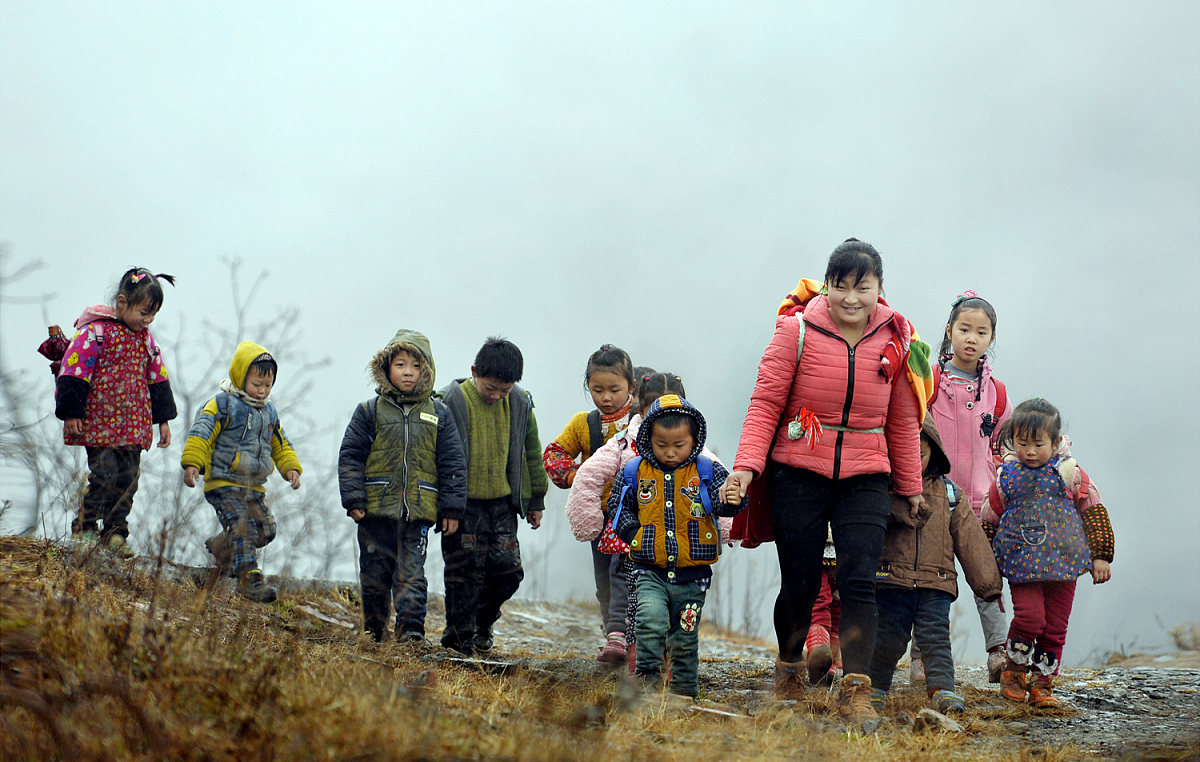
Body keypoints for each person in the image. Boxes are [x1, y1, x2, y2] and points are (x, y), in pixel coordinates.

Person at [725, 239, 932, 721]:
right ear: (827, 286)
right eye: (841, 286)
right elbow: (765, 404)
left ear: (879, 288)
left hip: (867, 474)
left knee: (860, 582)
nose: (851, 298)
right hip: (799, 471)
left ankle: (856, 690)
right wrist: (745, 467)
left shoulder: (898, 339)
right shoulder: (795, 331)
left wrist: (911, 488)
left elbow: (902, 422)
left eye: (863, 287)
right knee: (800, 584)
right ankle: (790, 669)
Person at [567, 373, 731, 674]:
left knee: (669, 604)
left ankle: (660, 663)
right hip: (632, 538)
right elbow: (591, 474)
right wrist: (598, 522)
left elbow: (720, 484)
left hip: (679, 544)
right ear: (641, 409)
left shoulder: (695, 451)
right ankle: (630, 654)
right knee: (633, 597)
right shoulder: (624, 444)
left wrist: (725, 525)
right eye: (654, 408)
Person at [609, 394, 743, 698]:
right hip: (649, 569)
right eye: (661, 445)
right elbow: (618, 506)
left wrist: (735, 498)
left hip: (693, 575)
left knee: (684, 634)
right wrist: (634, 534)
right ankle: (647, 682)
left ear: (694, 440)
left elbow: (726, 503)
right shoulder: (634, 471)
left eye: (679, 445)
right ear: (648, 440)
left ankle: (683, 691)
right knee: (649, 620)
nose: (670, 453)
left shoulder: (708, 471)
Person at [982, 398, 1113, 708]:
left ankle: (1043, 683)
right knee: (1030, 618)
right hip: (1021, 564)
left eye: (1038, 444)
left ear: (1055, 442)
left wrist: (1101, 555)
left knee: (1054, 627)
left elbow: (1093, 510)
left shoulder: (1070, 473)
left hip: (1065, 565)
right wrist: (985, 562)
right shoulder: (1006, 477)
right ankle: (1014, 671)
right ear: (1012, 441)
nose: (1030, 451)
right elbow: (989, 517)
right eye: (1022, 443)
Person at [337, 329, 467, 642]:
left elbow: (453, 463)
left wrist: (451, 508)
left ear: (427, 371)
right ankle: (374, 632)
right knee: (375, 575)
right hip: (375, 512)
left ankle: (411, 633)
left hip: (418, 513)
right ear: (386, 367)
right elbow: (351, 456)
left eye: (416, 366)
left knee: (412, 575)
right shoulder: (368, 411)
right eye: (400, 364)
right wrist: (354, 499)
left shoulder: (440, 414)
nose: (408, 372)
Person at [867, 415, 1003, 714]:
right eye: (904, 453)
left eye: (921, 454)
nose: (913, 461)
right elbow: (865, 529)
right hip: (890, 580)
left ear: (935, 453)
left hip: (935, 584)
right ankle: (874, 689)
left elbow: (970, 539)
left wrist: (988, 584)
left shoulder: (950, 493)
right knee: (887, 638)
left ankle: (943, 691)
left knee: (936, 640)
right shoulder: (881, 490)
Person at [915, 290, 1013, 684]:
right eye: (964, 329)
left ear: (992, 338)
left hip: (981, 504)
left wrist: (999, 481)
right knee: (928, 580)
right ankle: (922, 659)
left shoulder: (997, 393)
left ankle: (999, 653)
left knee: (987, 576)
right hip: (935, 500)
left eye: (981, 332)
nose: (972, 339)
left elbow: (1004, 445)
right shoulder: (930, 382)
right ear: (949, 331)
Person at [55, 267, 178, 557]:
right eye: (144, 312)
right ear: (122, 303)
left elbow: (157, 378)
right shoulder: (95, 333)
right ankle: (85, 526)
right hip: (99, 424)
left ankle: (115, 533)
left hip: (133, 426)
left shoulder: (146, 341)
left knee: (128, 479)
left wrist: (163, 420)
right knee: (105, 473)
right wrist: (71, 413)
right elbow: (74, 370)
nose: (148, 320)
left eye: (153, 315)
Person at [438, 337, 548, 655]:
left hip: (502, 505)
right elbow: (437, 457)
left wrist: (536, 499)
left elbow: (531, 451)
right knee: (465, 573)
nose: (497, 395)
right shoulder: (450, 401)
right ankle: (458, 640)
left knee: (508, 572)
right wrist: (445, 506)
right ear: (474, 372)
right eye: (491, 388)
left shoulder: (520, 404)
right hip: (463, 506)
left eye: (505, 389)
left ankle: (482, 622)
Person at [181, 341, 302, 603]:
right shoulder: (223, 404)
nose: (262, 390)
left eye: (268, 385)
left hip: (253, 486)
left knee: (266, 530)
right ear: (240, 377)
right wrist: (193, 462)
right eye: (257, 384)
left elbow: (280, 443)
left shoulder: (269, 412)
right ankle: (249, 581)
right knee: (243, 528)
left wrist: (291, 467)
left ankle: (221, 546)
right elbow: (201, 432)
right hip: (224, 483)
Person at [543, 344, 636, 663]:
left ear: (631, 386)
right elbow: (554, 453)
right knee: (604, 578)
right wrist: (575, 476)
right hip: (600, 517)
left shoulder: (642, 419)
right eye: (597, 390)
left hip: (638, 514)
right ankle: (614, 634)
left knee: (625, 573)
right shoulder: (584, 424)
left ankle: (624, 633)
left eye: (614, 389)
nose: (606, 397)